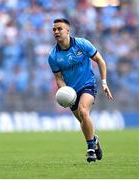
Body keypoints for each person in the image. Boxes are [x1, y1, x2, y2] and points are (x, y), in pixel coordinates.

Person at [48, 18, 113, 163]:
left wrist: (104, 82)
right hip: (71, 92)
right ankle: (94, 139)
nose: (56, 32)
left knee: (84, 111)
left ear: (67, 31)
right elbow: (58, 78)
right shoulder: (53, 56)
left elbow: (100, 60)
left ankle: (90, 150)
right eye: (54, 29)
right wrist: (64, 91)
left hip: (88, 84)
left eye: (59, 29)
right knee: (83, 120)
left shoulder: (81, 44)